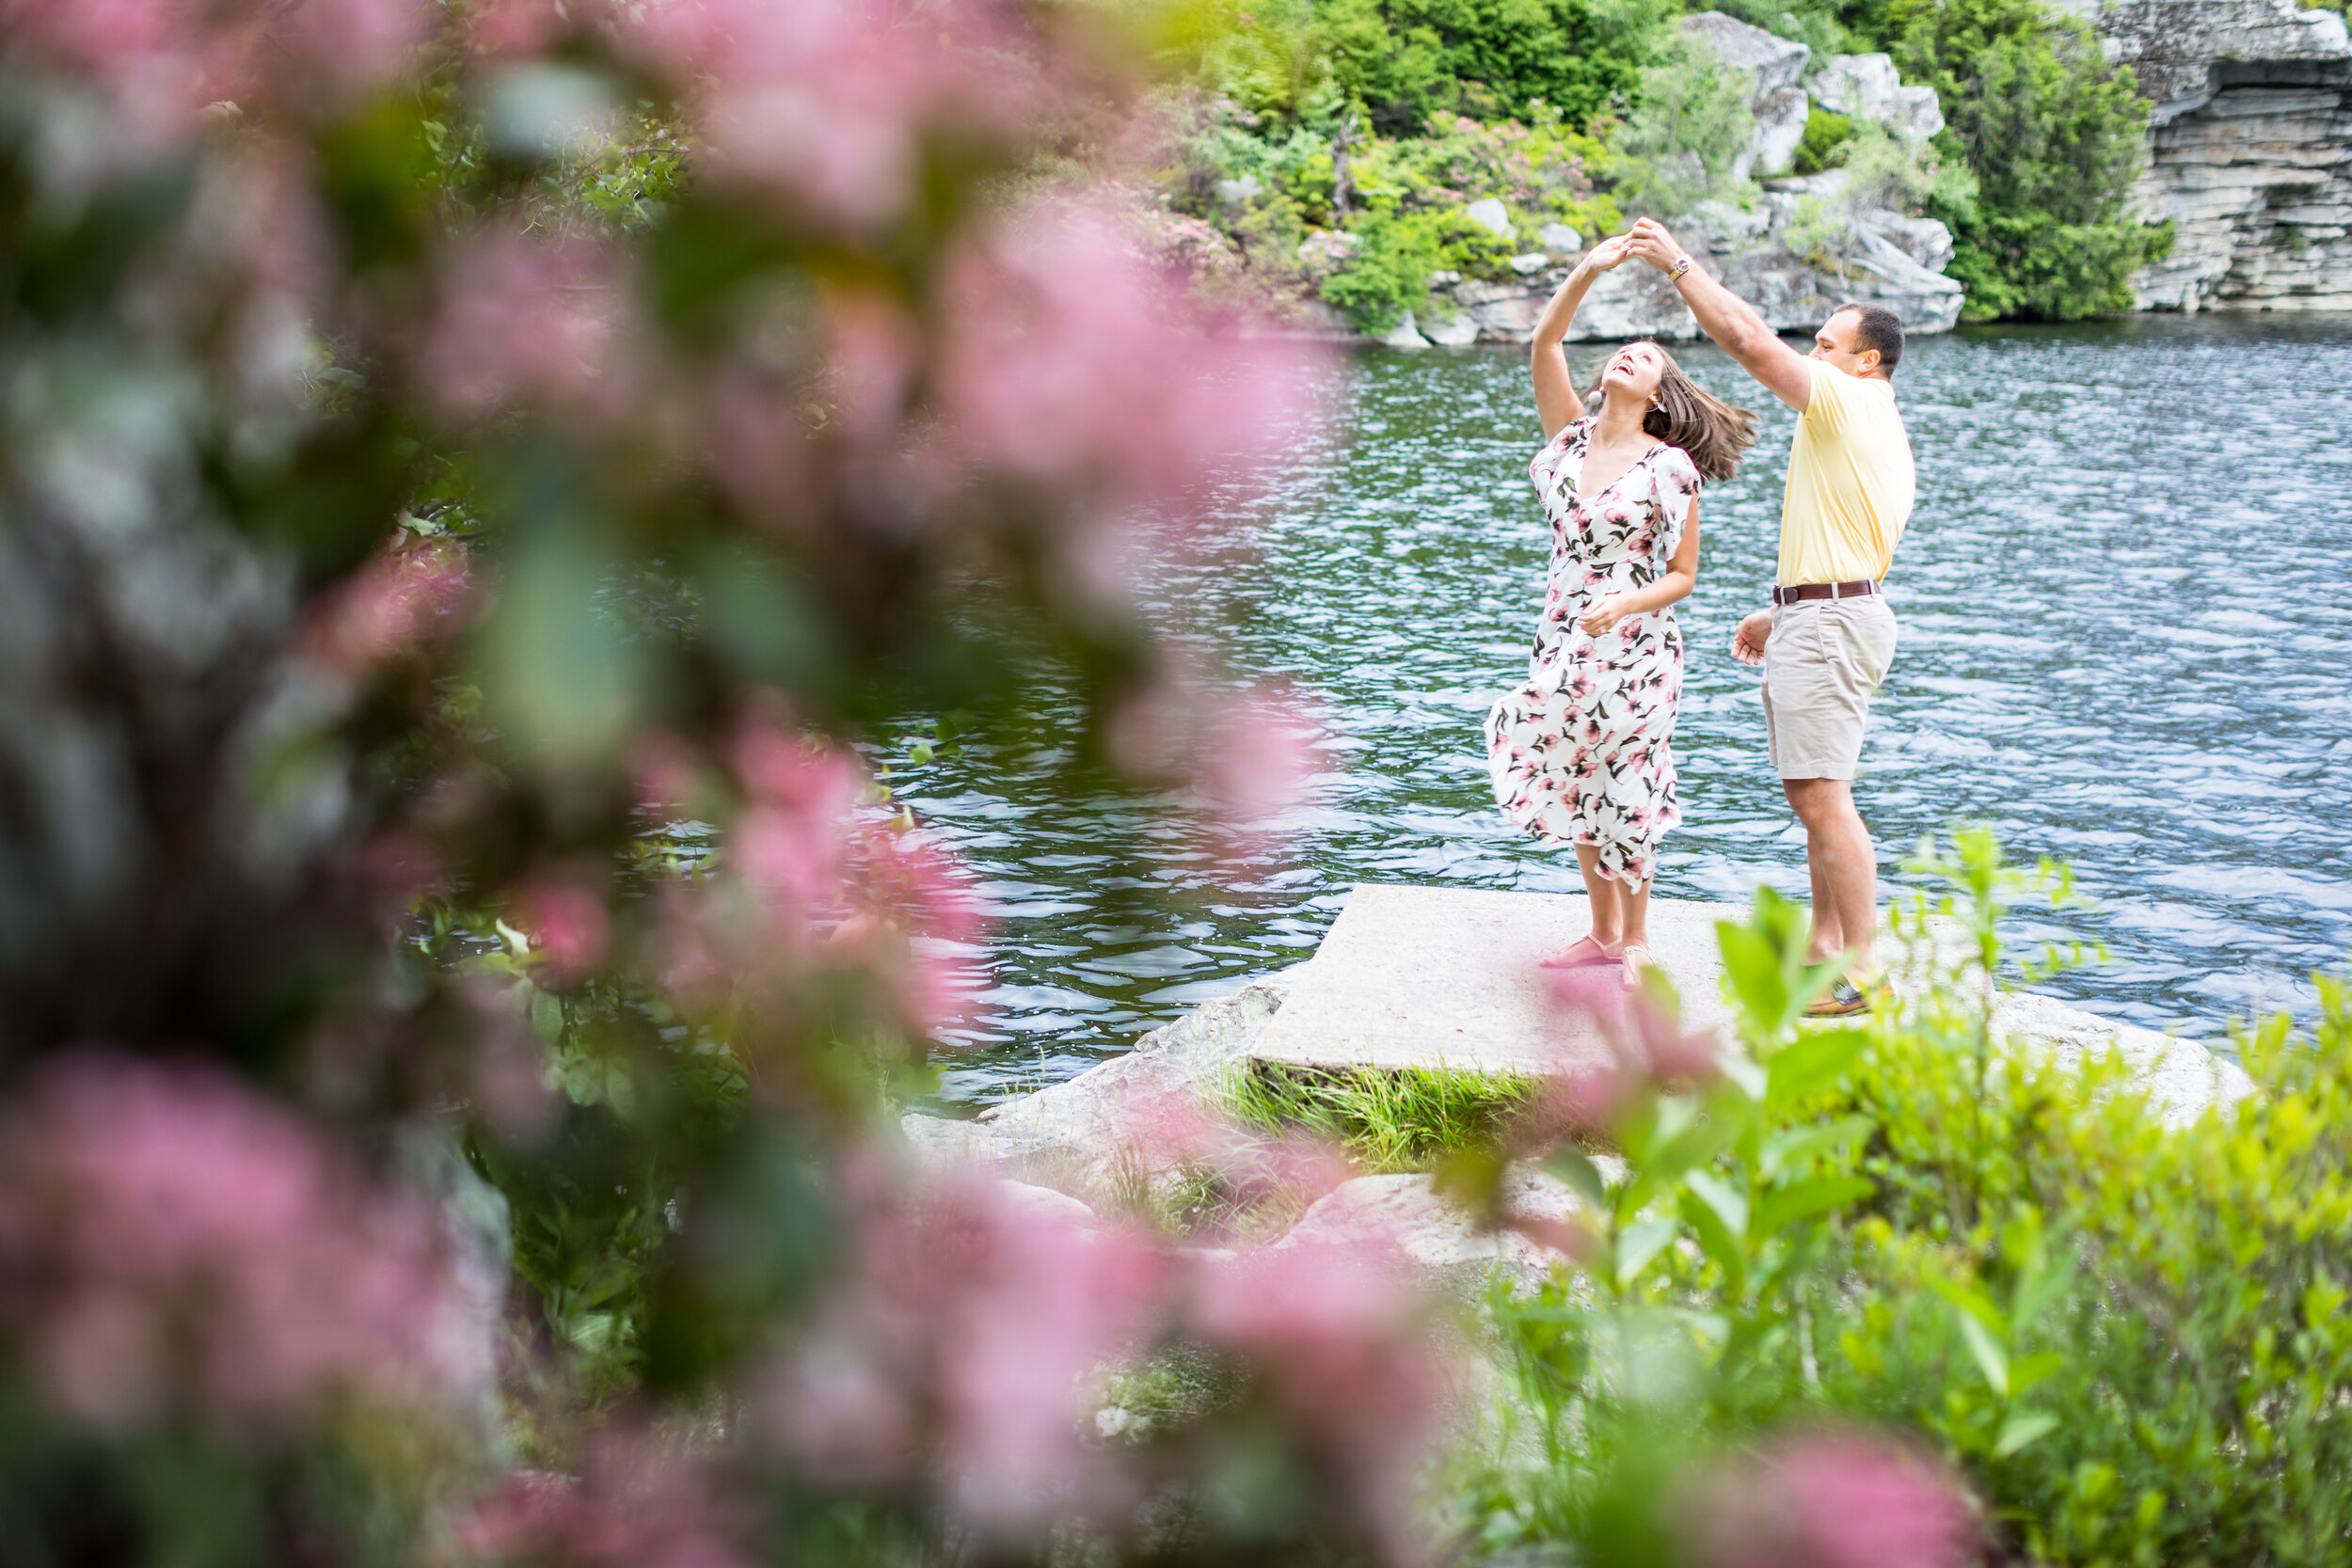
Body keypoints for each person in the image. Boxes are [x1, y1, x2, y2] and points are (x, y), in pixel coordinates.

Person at [1622, 215, 1915, 1016]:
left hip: (1832, 624)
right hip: (1827, 616)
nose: (1813, 355)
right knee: (1816, 792)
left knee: (1825, 798)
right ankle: (1827, 951)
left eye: (1826, 344)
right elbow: (1849, 551)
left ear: (1867, 360)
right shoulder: (1865, 427)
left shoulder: (1853, 403)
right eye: (1815, 345)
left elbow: (1752, 343)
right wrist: (1779, 613)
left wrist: (1678, 263)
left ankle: (1861, 971)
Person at [1487, 234, 1758, 990]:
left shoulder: (1670, 466)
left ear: (1660, 394)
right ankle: (1602, 931)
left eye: (1646, 356)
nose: (1628, 355)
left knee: (1628, 776)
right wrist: (1589, 270)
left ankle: (1637, 937)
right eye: (1625, 349)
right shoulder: (1569, 438)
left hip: (1638, 642)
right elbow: (1546, 341)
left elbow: (1683, 575)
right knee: (1576, 769)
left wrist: (1626, 601)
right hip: (1564, 633)